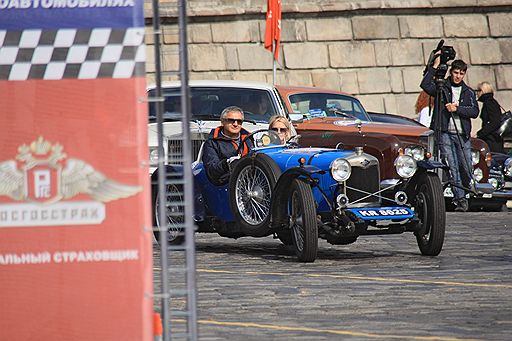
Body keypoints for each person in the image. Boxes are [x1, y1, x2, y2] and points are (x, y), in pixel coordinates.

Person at [420, 57, 479, 212]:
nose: (457, 76)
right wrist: (435, 66)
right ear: (451, 72)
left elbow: (474, 112)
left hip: (462, 135)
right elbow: (425, 85)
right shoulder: (442, 87)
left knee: (466, 168)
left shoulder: (468, 92)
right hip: (445, 133)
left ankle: (466, 191)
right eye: (455, 72)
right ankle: (460, 200)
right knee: (452, 167)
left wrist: (457, 109)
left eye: (461, 73)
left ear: (464, 74)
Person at [202, 106, 253, 185]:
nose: (235, 124)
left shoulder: (250, 138)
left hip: (251, 183)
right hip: (226, 185)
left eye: (239, 121)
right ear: (222, 122)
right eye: (231, 120)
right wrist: (227, 163)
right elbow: (211, 170)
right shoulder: (212, 142)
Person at [475, 82, 505, 153]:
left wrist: (481, 133)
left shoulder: (490, 103)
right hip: (492, 138)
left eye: (478, 91)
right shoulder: (489, 102)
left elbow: (494, 122)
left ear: (483, 91)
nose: (477, 93)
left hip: (492, 140)